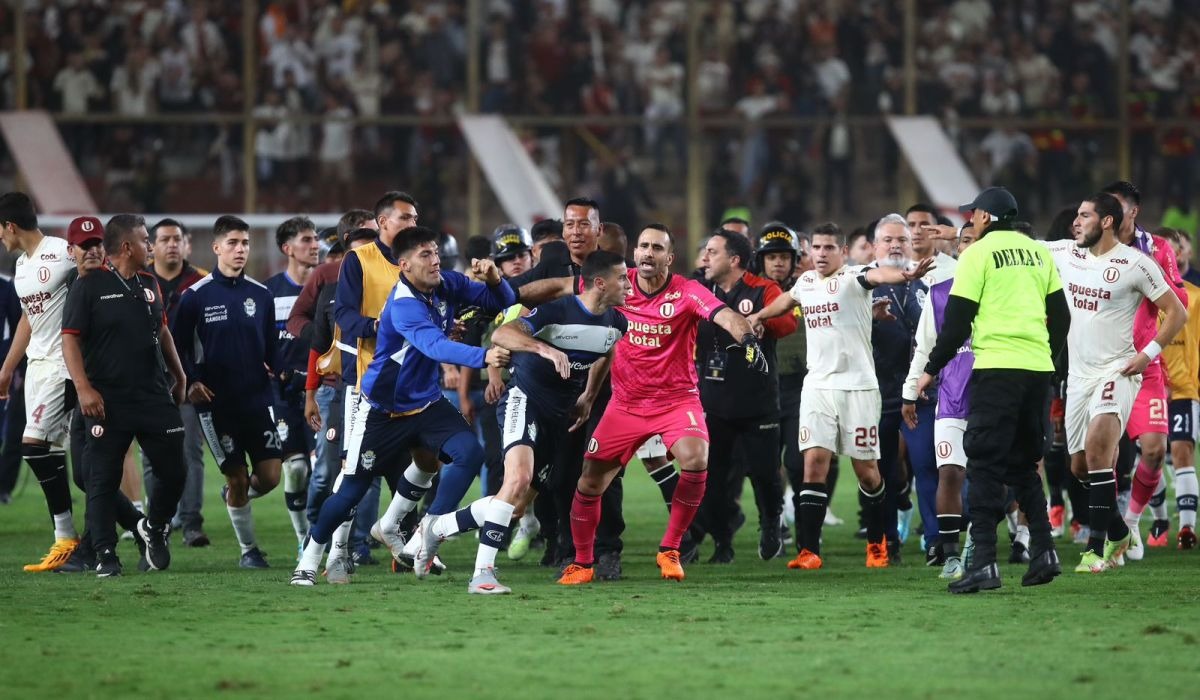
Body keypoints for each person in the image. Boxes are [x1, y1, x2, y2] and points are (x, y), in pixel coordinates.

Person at [292, 226, 515, 586]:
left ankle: (428, 531)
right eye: (425, 255)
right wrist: (484, 354)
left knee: (469, 454)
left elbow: (502, 301)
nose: (435, 260)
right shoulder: (403, 305)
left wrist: (495, 279)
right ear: (404, 265)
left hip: (425, 403)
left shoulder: (446, 283)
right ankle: (310, 556)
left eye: (436, 253)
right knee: (352, 489)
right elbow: (435, 347)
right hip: (382, 408)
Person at [558, 224, 768, 585]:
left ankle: (670, 549)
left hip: (676, 400)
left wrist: (748, 338)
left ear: (669, 258)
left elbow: (726, 315)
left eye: (656, 247)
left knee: (696, 457)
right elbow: (585, 320)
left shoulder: (687, 291)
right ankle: (581, 562)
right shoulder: (618, 285)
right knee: (590, 482)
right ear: (634, 252)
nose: (647, 253)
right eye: (642, 246)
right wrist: (588, 397)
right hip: (625, 403)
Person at [441, 249, 630, 594]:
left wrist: (589, 396)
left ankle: (436, 528)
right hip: (523, 399)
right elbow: (502, 335)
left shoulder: (617, 321)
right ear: (600, 283)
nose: (630, 285)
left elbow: (607, 350)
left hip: (558, 417)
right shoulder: (560, 309)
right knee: (517, 480)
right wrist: (545, 349)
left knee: (515, 505)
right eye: (623, 278)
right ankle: (482, 575)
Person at [750, 222, 933, 571]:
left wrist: (906, 275)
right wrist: (759, 315)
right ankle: (808, 550)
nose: (820, 254)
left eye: (829, 248)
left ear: (843, 252)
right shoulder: (806, 282)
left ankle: (878, 541)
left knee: (866, 471)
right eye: (816, 248)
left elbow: (879, 276)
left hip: (858, 389)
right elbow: (784, 303)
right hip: (817, 387)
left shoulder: (854, 276)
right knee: (813, 463)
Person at [918, 186, 1069, 593]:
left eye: (972, 215)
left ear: (985, 216)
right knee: (1023, 464)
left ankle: (983, 562)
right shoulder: (1039, 252)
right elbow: (1061, 315)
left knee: (983, 464)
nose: (969, 221)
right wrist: (1046, 357)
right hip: (1037, 372)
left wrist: (931, 368)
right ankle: (1044, 551)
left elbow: (958, 321)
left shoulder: (978, 254)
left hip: (997, 369)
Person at [1042, 194, 1185, 572]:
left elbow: (1177, 311)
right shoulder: (1066, 253)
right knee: (1079, 467)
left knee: (1098, 451)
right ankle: (1119, 530)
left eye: (1084, 215)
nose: (1077, 221)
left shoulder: (1136, 263)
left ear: (1106, 221)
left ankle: (1096, 548)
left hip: (1118, 371)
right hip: (1078, 377)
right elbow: (1023, 243)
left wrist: (1148, 353)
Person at [61, 214, 188, 577]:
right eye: (146, 240)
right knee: (101, 478)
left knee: (174, 471)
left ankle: (155, 527)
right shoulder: (88, 286)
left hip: (153, 396)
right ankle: (105, 554)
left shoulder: (149, 283)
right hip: (107, 399)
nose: (151, 246)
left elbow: (162, 332)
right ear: (128, 247)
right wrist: (84, 388)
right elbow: (69, 338)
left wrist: (179, 374)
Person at [172, 215, 281, 569]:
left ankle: (234, 497)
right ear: (216, 247)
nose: (240, 250)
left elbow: (272, 351)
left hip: (257, 400)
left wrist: (285, 373)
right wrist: (190, 381)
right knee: (236, 476)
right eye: (232, 243)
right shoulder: (195, 296)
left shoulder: (261, 295)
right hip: (215, 405)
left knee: (270, 478)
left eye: (245, 243)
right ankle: (249, 551)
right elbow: (176, 345)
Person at [1100, 182, 1190, 556]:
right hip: (1101, 364)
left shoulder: (1157, 249)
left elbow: (1179, 301)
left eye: (1118, 207)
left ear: (1133, 211)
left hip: (1143, 366)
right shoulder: (1092, 246)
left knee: (1154, 451)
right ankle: (1106, 527)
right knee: (1091, 459)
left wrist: (1152, 277)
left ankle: (1133, 523)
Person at [696, 229, 796, 562]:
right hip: (713, 400)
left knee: (765, 475)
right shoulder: (700, 290)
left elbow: (788, 324)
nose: (705, 258)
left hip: (757, 401)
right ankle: (722, 542)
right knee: (713, 479)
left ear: (734, 260)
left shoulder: (763, 288)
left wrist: (767, 323)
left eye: (712, 252)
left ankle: (771, 522)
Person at [57, 217, 147, 573]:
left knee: (97, 472)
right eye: (84, 245)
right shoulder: (67, 284)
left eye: (97, 244)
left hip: (104, 392)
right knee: (85, 475)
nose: (92, 250)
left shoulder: (116, 285)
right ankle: (140, 528)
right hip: (75, 388)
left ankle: (95, 549)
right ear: (72, 251)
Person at [0, 191, 81, 571]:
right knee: (48, 453)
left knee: (31, 446)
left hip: (64, 367)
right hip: (36, 367)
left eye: (0, 230)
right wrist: (6, 367)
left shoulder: (63, 252)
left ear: (10, 226)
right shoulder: (21, 265)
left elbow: (95, 286)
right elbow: (28, 319)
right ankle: (68, 544)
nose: (0, 238)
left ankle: (70, 537)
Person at [903, 221, 979, 581]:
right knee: (949, 471)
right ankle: (950, 554)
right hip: (950, 392)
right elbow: (925, 346)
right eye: (964, 242)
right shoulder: (938, 289)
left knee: (991, 476)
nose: (967, 248)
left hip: (990, 389)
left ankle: (1007, 538)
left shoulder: (1004, 287)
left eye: (974, 241)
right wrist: (910, 390)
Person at [868, 215, 936, 563]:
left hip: (922, 393)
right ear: (874, 247)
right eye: (888, 240)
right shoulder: (860, 283)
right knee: (885, 471)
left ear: (912, 245)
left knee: (926, 464)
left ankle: (938, 540)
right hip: (877, 393)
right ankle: (886, 539)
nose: (895, 246)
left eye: (902, 240)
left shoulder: (930, 283)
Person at [142, 217, 209, 547]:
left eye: (176, 238)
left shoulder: (201, 283)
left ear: (187, 244)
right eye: (164, 239)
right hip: (147, 384)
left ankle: (192, 521)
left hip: (188, 384)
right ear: (152, 245)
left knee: (190, 452)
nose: (171, 244)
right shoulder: (137, 280)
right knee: (151, 455)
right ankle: (159, 523)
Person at [1138, 228, 1199, 551]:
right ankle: (1160, 519)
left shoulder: (1195, 295)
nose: (1169, 256)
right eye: (1165, 250)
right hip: (1147, 387)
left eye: (1175, 250)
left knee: (1181, 451)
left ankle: (1187, 528)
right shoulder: (1140, 296)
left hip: (1184, 389)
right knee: (1149, 458)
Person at [265, 216, 320, 546]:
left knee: (324, 470)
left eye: (315, 239)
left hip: (320, 387)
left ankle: (330, 538)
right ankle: (304, 540)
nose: (314, 245)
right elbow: (257, 341)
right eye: (306, 240)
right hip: (281, 392)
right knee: (296, 469)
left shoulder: (329, 288)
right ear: (287, 248)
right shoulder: (268, 292)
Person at [906, 203, 959, 285]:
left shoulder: (954, 268)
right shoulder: (894, 266)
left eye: (924, 225)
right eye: (911, 225)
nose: (917, 231)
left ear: (936, 230)